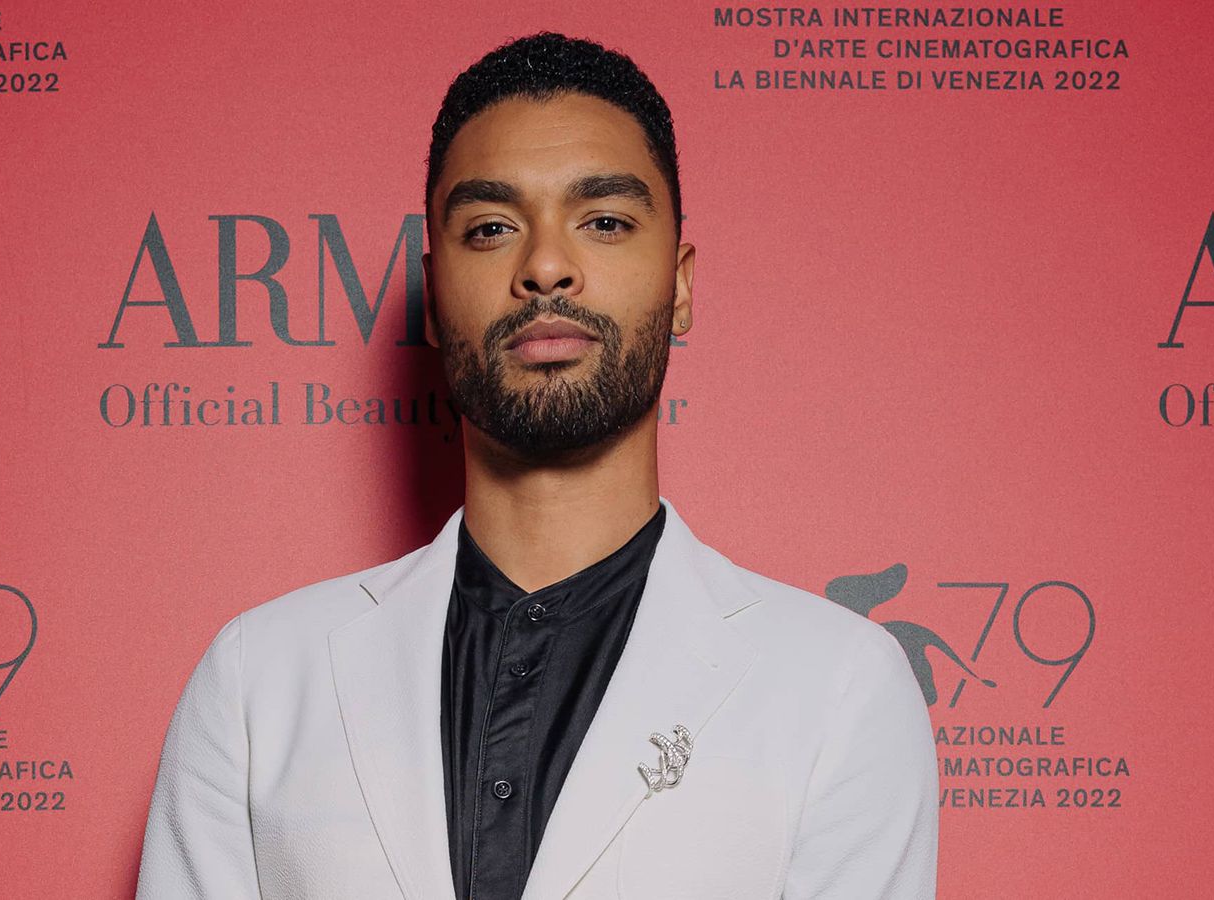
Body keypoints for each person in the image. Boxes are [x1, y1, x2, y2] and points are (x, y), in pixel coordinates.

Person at [135, 32, 937, 900]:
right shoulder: (258, 680)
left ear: (681, 283)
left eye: (604, 222)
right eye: (491, 228)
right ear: (435, 294)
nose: (546, 266)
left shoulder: (839, 687)